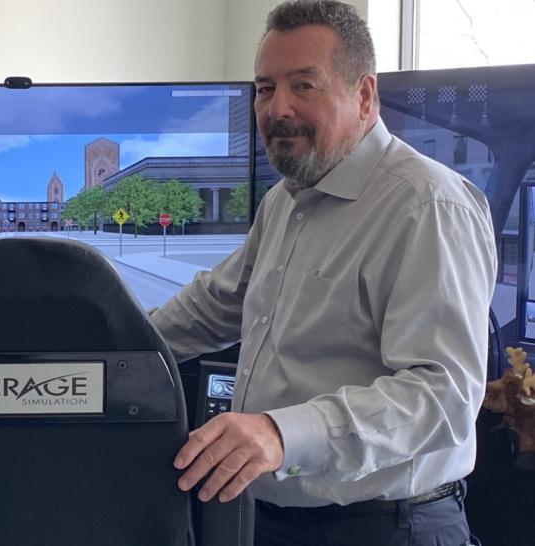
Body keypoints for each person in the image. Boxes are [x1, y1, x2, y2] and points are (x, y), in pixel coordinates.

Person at [151, 1, 496, 544]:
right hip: (268, 517)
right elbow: (218, 304)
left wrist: (279, 433)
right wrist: (104, 347)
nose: (277, 108)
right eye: (265, 88)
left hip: (384, 526)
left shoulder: (427, 205)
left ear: (363, 95)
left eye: (303, 86)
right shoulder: (287, 199)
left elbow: (442, 395)